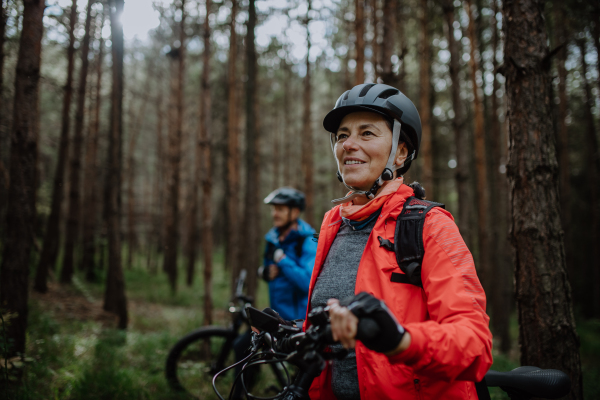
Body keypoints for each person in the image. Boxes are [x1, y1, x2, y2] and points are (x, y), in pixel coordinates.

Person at [303, 83, 493, 399]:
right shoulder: (334, 222)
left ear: (400, 152)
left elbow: (474, 344)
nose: (349, 144)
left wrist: (400, 341)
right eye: (342, 135)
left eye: (366, 133)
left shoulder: (428, 225)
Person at [262, 187, 317, 321]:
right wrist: (264, 273)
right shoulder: (273, 239)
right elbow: (271, 271)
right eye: (273, 209)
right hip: (277, 319)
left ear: (295, 212)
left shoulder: (307, 240)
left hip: (299, 324)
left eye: (280, 209)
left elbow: (307, 283)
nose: (275, 214)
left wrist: (282, 259)